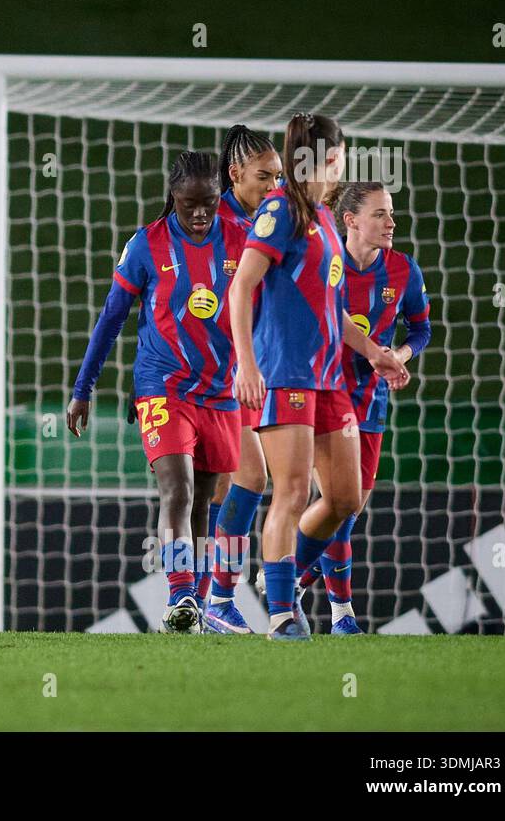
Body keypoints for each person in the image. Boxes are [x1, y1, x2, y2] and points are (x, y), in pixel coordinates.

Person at [228, 113, 408, 641]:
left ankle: (281, 578)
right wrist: (246, 362)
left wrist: (374, 351)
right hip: (285, 373)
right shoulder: (278, 210)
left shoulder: (326, 219)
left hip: (331, 380)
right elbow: (241, 289)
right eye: (343, 153)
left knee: (345, 498)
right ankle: (282, 614)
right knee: (287, 492)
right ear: (331, 157)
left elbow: (331, 311)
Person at [67, 150, 248, 633]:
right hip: (162, 387)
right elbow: (111, 318)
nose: (199, 213)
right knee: (179, 489)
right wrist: (82, 388)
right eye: (189, 203)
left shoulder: (242, 241)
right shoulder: (147, 245)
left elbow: (266, 310)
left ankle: (200, 606)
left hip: (220, 392)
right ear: (173, 197)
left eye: (208, 202)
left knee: (207, 503)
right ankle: (180, 595)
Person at [296, 179, 431, 634]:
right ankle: (341, 614)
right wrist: (375, 349)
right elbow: (322, 317)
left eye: (391, 213)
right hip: (325, 392)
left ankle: (289, 577)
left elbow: (420, 330)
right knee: (335, 502)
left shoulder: (403, 271)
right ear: (351, 220)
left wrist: (400, 358)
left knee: (347, 511)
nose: (391, 222)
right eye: (380, 214)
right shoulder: (326, 262)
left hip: (371, 399)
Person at [204, 124, 282, 634]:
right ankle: (217, 597)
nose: (274, 187)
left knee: (228, 487)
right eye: (263, 177)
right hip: (215, 372)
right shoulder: (210, 221)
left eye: (279, 177)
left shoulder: (268, 220)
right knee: (251, 478)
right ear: (234, 174)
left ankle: (210, 598)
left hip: (250, 369)